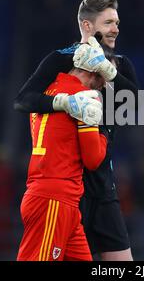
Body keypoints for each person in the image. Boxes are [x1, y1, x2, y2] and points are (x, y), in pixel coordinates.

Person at [14, 0, 138, 260]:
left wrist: (108, 70)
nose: (116, 28)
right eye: (109, 22)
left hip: (101, 185)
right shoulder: (61, 60)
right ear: (87, 26)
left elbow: (137, 101)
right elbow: (23, 100)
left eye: (117, 22)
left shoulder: (119, 65)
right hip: (67, 184)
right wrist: (64, 102)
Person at [16, 67, 107, 261]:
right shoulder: (83, 97)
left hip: (52, 195)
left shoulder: (44, 90)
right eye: (102, 81)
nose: (102, 87)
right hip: (55, 199)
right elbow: (93, 159)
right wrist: (104, 134)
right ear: (92, 73)